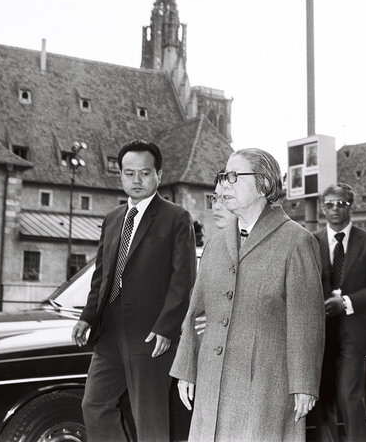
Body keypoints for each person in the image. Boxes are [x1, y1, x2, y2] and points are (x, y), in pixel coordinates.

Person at [171, 148, 324, 442]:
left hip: (265, 387)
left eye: (233, 177)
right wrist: (186, 369)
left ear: (264, 185)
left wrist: (304, 384)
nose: (223, 185)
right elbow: (195, 313)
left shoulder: (297, 242)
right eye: (222, 178)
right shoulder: (215, 245)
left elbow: (306, 321)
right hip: (212, 385)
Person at [71, 139, 196, 441]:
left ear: (159, 176)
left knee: (149, 419)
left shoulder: (176, 218)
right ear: (121, 176)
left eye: (144, 173)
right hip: (110, 333)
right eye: (129, 173)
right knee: (95, 404)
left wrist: (166, 328)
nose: (136, 180)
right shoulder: (113, 219)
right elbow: (102, 274)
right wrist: (87, 318)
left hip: (151, 336)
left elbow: (183, 281)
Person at [312, 183, 366, 442]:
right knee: (323, 401)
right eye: (330, 204)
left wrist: (345, 302)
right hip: (319, 333)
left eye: (341, 203)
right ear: (323, 208)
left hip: (354, 332)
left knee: (349, 395)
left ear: (351, 207)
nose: (335, 209)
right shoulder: (311, 241)